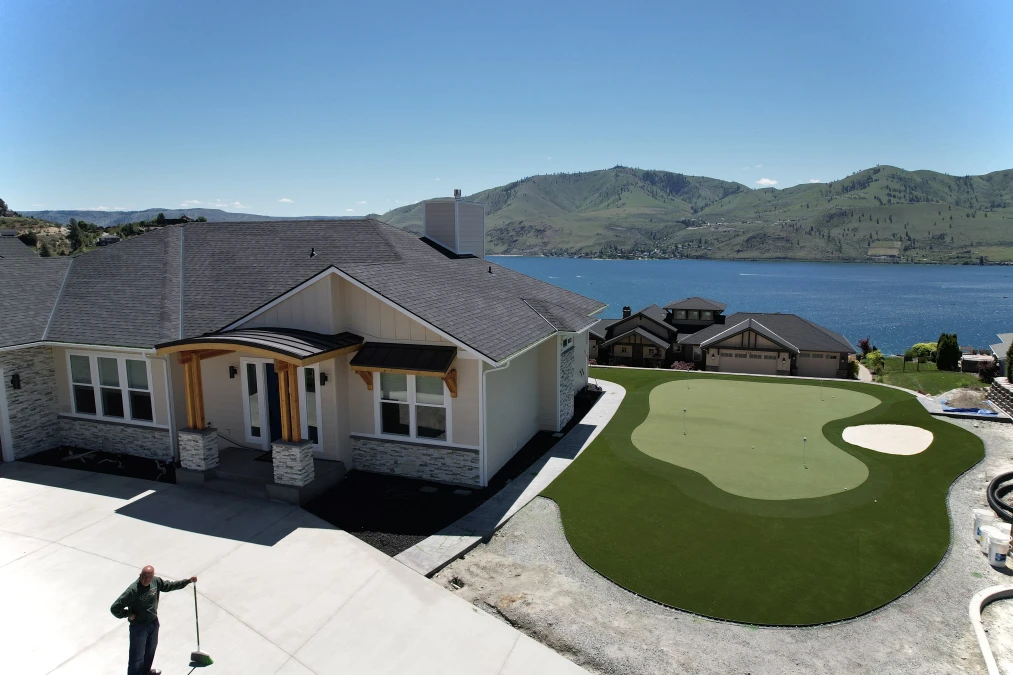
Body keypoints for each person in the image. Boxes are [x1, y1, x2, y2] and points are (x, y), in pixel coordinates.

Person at [110, 565, 197, 675]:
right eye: (144, 576)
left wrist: (188, 581)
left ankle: (146, 672)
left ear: (153, 576)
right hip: (139, 627)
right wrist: (128, 614)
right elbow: (114, 608)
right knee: (137, 657)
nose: (147, 579)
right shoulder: (132, 590)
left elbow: (169, 586)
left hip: (153, 623)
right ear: (140, 575)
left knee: (150, 651)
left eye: (149, 576)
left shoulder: (156, 582)